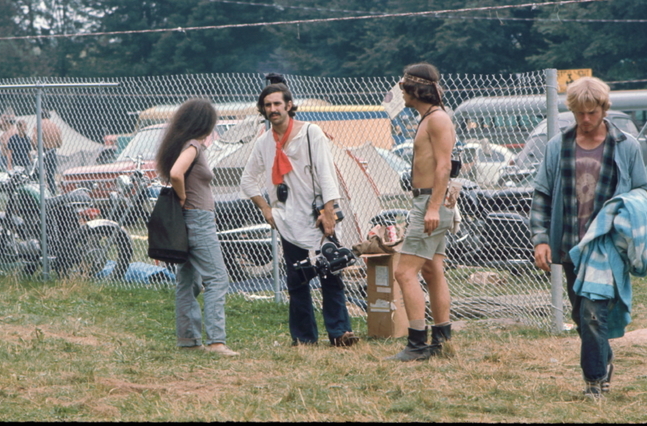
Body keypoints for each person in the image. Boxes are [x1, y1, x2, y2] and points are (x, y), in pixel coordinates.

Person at [530, 76, 647, 399]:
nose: (586, 120)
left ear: (603, 108)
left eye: (592, 112)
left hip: (606, 247)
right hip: (570, 245)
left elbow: (641, 190)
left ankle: (594, 383)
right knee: (581, 315)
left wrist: (625, 219)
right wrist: (541, 237)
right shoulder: (558, 146)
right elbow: (542, 194)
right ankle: (604, 359)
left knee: (593, 314)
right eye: (579, 113)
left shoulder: (625, 145)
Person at [240, 83, 359, 347]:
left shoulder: (310, 133)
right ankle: (304, 338)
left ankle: (339, 333)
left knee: (331, 272)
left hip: (317, 217)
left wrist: (329, 211)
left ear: (289, 105)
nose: (273, 110)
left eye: (277, 104)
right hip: (287, 222)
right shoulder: (263, 143)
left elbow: (326, 173)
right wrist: (265, 208)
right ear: (263, 109)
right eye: (268, 105)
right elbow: (247, 180)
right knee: (297, 281)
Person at [155, 98, 239, 357]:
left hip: (189, 220)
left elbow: (177, 171)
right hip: (198, 220)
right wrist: (182, 196)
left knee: (187, 281)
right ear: (204, 123)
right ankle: (216, 342)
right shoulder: (193, 146)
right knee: (217, 278)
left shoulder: (182, 144)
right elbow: (177, 173)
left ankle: (188, 340)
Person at [386, 62, 456, 361]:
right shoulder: (429, 118)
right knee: (432, 270)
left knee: (404, 272)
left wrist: (433, 207)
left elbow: (444, 166)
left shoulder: (437, 120)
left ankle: (417, 344)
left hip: (429, 203)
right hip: (429, 201)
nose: (401, 92)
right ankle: (442, 340)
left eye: (403, 86)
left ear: (416, 89)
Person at [32, 109, 62, 194]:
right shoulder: (55, 126)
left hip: (42, 151)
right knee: (50, 175)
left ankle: (38, 193)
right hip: (52, 152)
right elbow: (59, 143)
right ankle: (52, 193)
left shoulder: (38, 125)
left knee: (37, 174)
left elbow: (34, 140)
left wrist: (35, 148)